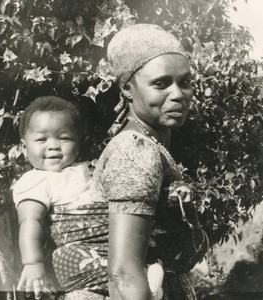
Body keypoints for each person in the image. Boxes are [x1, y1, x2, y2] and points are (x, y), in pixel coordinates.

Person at [90, 23, 210, 299]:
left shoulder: (150, 144)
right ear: (128, 89)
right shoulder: (135, 150)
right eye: (161, 83)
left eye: (185, 82)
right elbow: (123, 272)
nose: (178, 94)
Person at [12, 96, 109, 300]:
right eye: (41, 139)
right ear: (23, 147)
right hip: (75, 255)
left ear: (78, 142)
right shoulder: (35, 180)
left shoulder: (86, 169)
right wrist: (33, 263)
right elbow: (30, 221)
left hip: (104, 245)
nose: (53, 145)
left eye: (64, 138)